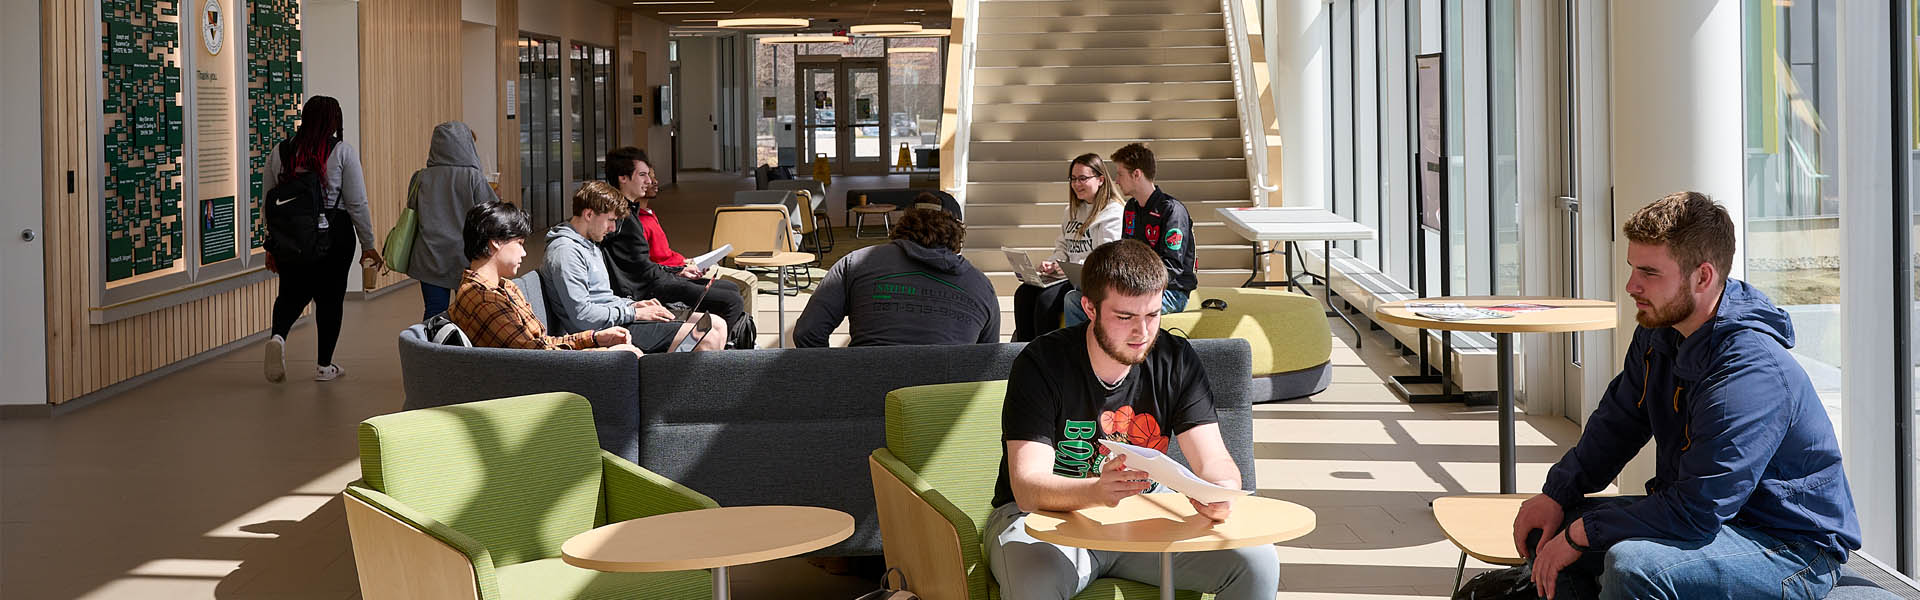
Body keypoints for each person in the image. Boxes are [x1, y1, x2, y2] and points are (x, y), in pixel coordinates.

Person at [1512, 192, 1859, 599]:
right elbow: (1618, 422)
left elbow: (1697, 509)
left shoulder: (1749, 370)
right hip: (1710, 521)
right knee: (1550, 528)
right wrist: (1557, 493)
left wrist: (1581, 534)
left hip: (1789, 548)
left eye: (1649, 272)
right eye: (1631, 268)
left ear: (1703, 277)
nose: (1631, 285)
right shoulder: (1659, 333)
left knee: (1633, 568)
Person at [987, 239, 1278, 599]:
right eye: (1125, 317)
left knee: (1256, 561)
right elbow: (1028, 489)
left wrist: (1220, 491)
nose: (1142, 333)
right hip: (1044, 522)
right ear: (1089, 307)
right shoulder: (1041, 364)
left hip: (1143, 517)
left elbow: (1214, 459)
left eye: (1152, 315)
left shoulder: (1176, 360)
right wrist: (1096, 491)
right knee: (1035, 584)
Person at [261, 95, 379, 383]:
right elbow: (357, 203)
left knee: (290, 292)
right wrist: (368, 244)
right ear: (334, 121)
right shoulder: (341, 152)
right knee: (330, 298)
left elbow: (267, 202)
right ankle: (324, 366)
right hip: (334, 233)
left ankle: (278, 337)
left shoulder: (281, 151)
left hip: (291, 234)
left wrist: (270, 242)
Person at [539, 181, 727, 353]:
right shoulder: (566, 252)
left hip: (616, 319)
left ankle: (692, 380)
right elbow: (582, 316)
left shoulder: (588, 243)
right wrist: (634, 313)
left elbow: (602, 298)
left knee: (716, 324)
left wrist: (632, 304)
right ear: (589, 214)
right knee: (706, 336)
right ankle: (677, 385)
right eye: (610, 220)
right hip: (605, 332)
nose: (613, 229)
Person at [599, 147, 756, 348]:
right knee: (730, 300)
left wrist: (678, 270)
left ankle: (726, 344)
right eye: (642, 175)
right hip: (647, 287)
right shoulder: (622, 220)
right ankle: (724, 350)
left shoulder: (631, 213)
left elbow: (644, 264)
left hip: (652, 279)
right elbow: (644, 271)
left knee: (731, 288)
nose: (649, 181)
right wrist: (677, 273)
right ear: (623, 178)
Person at [446, 201, 642, 357]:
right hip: (539, 383)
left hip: (542, 368)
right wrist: (605, 353)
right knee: (632, 356)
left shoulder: (503, 287)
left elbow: (541, 343)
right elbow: (536, 357)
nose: (524, 253)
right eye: (520, 243)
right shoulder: (485, 300)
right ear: (496, 242)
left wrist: (594, 338)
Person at [792, 206, 998, 347]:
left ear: (902, 227)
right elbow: (987, 359)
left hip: (862, 399)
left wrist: (837, 379)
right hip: (946, 406)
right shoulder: (981, 286)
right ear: (956, 238)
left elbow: (807, 332)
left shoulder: (855, 263)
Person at [1064, 143, 1195, 327]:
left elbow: (1173, 268)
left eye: (1120, 174)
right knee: (1074, 299)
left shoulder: (1172, 211)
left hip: (1170, 292)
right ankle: (1080, 353)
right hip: (1134, 286)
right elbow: (1124, 254)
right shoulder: (1131, 208)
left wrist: (1133, 284)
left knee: (1113, 306)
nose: (1116, 180)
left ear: (1136, 174)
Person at [1012, 153, 1124, 342]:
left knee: (1046, 300)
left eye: (1083, 178)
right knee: (1024, 293)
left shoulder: (1113, 213)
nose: (1076, 184)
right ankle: (1024, 351)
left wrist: (1068, 265)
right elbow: (1063, 245)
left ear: (1101, 179)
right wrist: (1053, 262)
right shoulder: (1071, 211)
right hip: (1065, 274)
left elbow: (1105, 256)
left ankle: (1048, 357)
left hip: (1088, 278)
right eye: (1073, 179)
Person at [403, 121, 494, 320]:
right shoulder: (474, 178)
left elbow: (412, 210)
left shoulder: (420, 177)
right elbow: (492, 214)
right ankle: (464, 351)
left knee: (434, 312)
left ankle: (432, 350)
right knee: (469, 313)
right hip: (466, 258)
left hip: (429, 257)